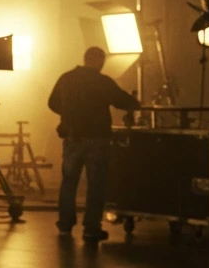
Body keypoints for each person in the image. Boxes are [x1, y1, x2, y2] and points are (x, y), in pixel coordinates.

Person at [48, 46, 140, 242]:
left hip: (73, 138)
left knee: (69, 182)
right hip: (97, 139)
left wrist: (68, 116)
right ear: (99, 61)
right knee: (96, 184)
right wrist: (136, 102)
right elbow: (122, 100)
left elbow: (52, 102)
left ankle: (65, 224)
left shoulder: (67, 78)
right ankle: (91, 228)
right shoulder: (102, 81)